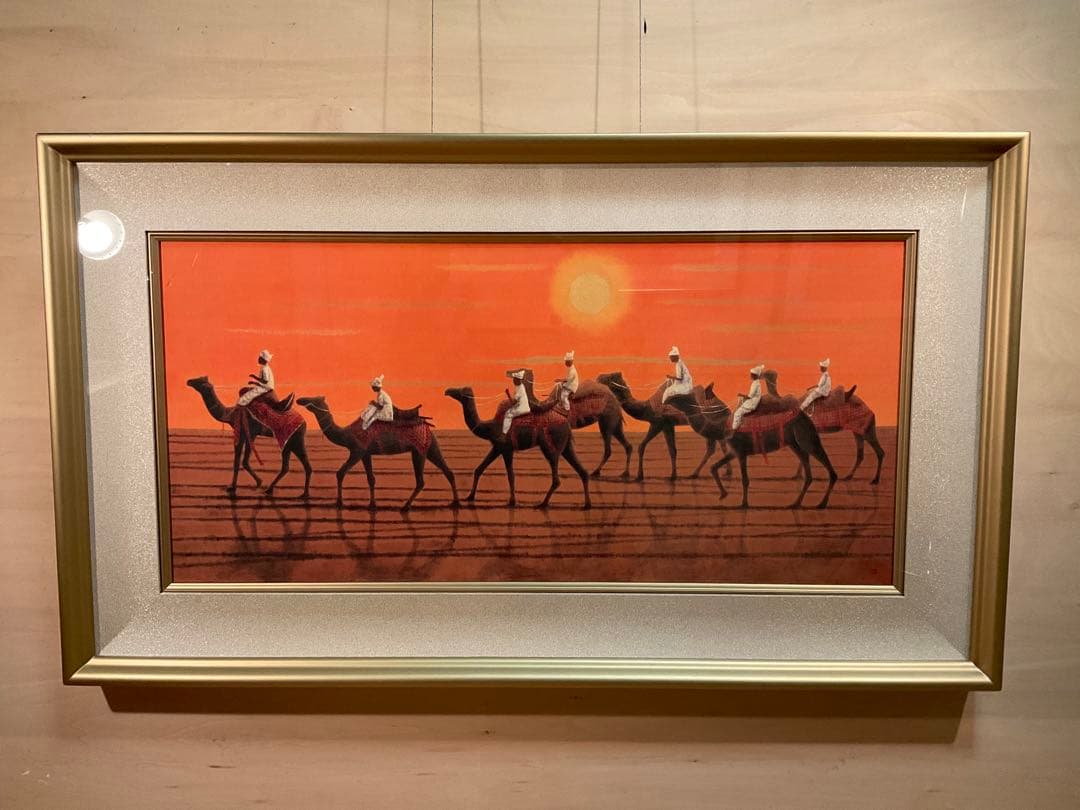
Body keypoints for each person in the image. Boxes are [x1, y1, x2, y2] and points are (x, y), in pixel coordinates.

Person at [732, 364, 765, 429]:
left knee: (737, 413)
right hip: (752, 401)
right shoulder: (756, 383)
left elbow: (750, 396)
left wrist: (741, 395)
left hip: (752, 402)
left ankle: (734, 429)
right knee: (740, 407)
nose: (751, 376)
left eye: (752, 375)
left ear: (755, 376)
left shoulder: (755, 384)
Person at [501, 369, 531, 436]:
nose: (513, 381)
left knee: (508, 414)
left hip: (522, 408)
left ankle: (504, 433)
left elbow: (513, 402)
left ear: (518, 380)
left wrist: (508, 394)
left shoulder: (520, 389)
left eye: (514, 379)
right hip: (521, 405)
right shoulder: (520, 386)